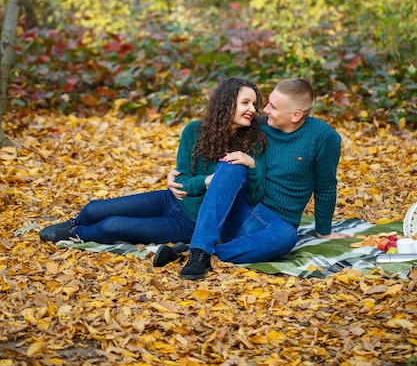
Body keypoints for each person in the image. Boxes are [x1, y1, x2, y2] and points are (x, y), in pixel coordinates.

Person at [39, 77, 267, 257]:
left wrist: (251, 165)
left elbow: (254, 195)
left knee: (112, 226)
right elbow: (182, 179)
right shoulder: (194, 131)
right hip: (170, 199)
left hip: (189, 221)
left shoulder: (253, 142)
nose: (251, 109)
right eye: (245, 102)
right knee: (93, 209)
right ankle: (75, 221)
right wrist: (206, 181)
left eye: (254, 104)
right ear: (226, 104)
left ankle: (75, 233)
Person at [163, 77, 347, 280]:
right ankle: (199, 251)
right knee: (233, 165)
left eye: (273, 107)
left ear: (295, 115)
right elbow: (214, 139)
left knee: (287, 237)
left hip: (273, 224)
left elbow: (325, 187)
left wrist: (324, 231)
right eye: (267, 103)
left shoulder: (325, 138)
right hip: (241, 207)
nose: (265, 110)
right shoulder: (258, 124)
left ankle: (191, 253)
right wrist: (181, 174)